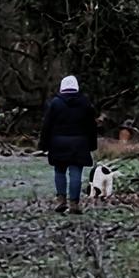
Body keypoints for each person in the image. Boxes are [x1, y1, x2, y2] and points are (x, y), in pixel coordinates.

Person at [38, 75, 97, 214]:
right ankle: (74, 203)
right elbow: (91, 126)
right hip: (80, 143)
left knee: (59, 171)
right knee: (76, 173)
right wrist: (92, 144)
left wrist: (43, 144)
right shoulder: (85, 103)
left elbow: (47, 125)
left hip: (58, 143)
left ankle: (61, 200)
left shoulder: (55, 103)